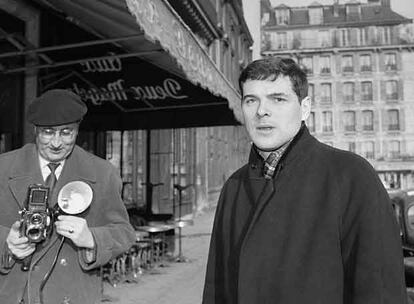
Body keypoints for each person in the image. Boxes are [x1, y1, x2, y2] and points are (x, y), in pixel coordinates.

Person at [202, 57, 408, 304]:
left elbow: (380, 289)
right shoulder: (234, 187)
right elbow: (217, 289)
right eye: (251, 100)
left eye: (278, 99)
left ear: (305, 108)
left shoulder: (351, 175)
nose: (261, 111)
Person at [0, 89, 136, 304]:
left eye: (66, 132)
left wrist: (92, 239)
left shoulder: (102, 173)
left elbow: (124, 232)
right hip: (13, 293)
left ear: (77, 130)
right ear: (35, 130)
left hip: (71, 294)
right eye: (48, 132)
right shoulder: (3, 168)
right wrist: (5, 242)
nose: (56, 143)